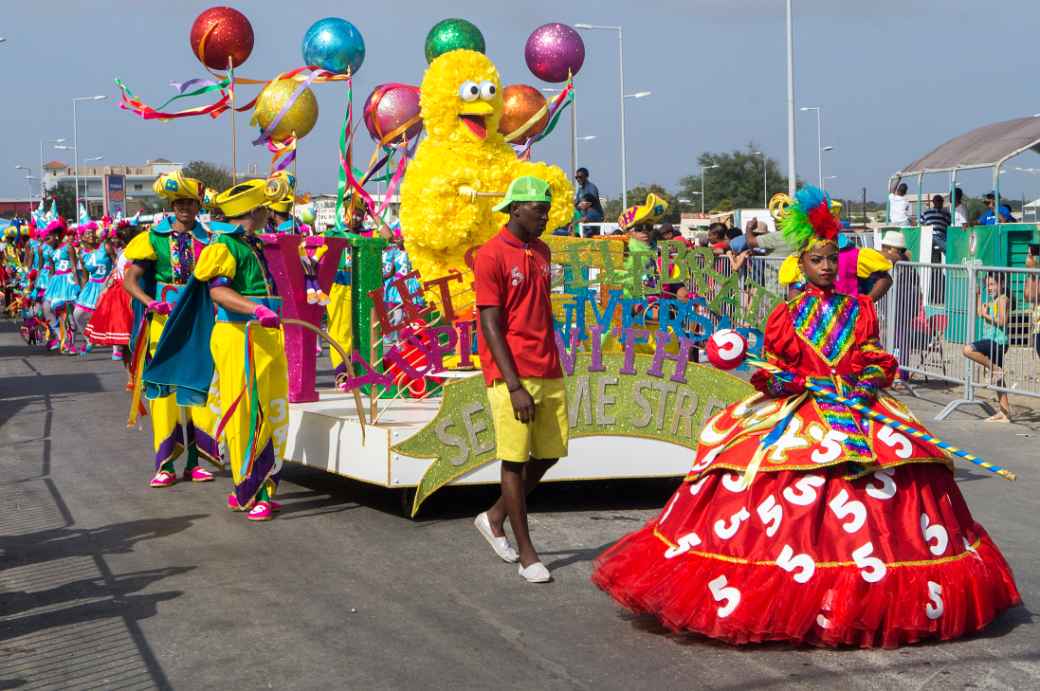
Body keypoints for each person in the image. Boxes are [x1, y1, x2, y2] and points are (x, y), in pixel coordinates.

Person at [592, 184, 1021, 648]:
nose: (827, 267)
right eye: (818, 261)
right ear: (802, 265)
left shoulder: (856, 309)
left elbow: (873, 354)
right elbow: (774, 364)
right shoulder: (787, 314)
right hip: (801, 409)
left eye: (832, 260)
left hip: (856, 407)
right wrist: (784, 380)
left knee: (899, 474)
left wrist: (867, 377)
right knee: (758, 468)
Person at [146, 177, 290, 521]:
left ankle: (265, 485)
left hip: (266, 336)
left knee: (273, 411)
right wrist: (256, 309)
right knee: (247, 412)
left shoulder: (252, 244)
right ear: (254, 211)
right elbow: (218, 293)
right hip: (239, 336)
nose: (268, 214)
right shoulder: (224, 247)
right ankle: (250, 488)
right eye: (264, 210)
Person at [472, 176, 568, 584]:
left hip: (548, 367)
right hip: (513, 373)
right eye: (538, 210)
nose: (545, 217)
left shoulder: (542, 250)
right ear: (515, 209)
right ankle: (528, 552)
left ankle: (493, 516)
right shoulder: (490, 255)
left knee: (549, 454)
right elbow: (490, 324)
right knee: (515, 461)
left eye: (547, 210)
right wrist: (513, 385)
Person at [123, 172, 221, 488]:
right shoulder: (153, 238)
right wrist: (150, 303)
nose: (184, 208)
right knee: (162, 391)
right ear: (171, 205)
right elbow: (130, 280)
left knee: (197, 388)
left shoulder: (211, 240)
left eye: (189, 203)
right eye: (179, 203)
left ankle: (196, 462)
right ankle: (164, 464)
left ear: (197, 206)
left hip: (198, 322)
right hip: (163, 324)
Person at [963, 274, 1013, 422]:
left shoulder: (1003, 299)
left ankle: (994, 368)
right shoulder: (993, 301)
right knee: (998, 379)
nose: (989, 288)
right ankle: (1004, 413)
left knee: (967, 350)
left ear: (1001, 284)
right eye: (988, 285)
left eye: (992, 284)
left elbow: (1003, 321)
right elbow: (980, 313)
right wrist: (978, 296)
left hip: (997, 341)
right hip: (991, 340)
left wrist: (986, 315)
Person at [72, 227, 116, 352]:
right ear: (82, 238)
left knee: (111, 316)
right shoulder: (82, 255)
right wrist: (81, 291)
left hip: (108, 284)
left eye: (92, 232)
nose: (91, 235)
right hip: (91, 286)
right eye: (87, 233)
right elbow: (85, 276)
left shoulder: (105, 246)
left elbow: (117, 263)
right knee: (78, 314)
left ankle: (116, 347)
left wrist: (113, 278)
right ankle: (89, 340)